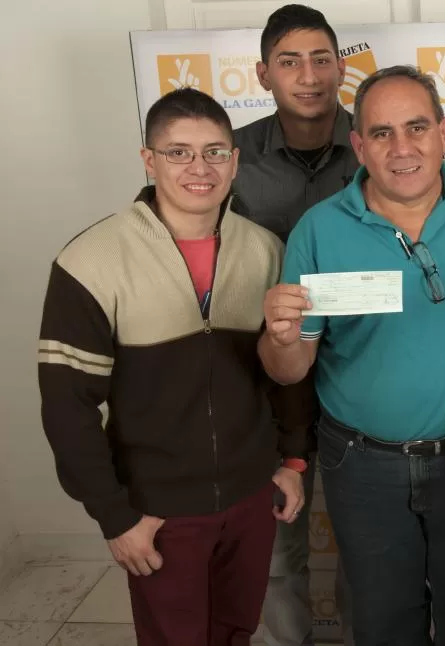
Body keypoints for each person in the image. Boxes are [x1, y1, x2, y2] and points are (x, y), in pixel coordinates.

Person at [257, 64, 445, 646]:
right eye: (382, 133)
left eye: (416, 127)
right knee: (384, 624)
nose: (402, 147)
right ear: (358, 145)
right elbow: (291, 367)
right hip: (362, 466)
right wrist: (282, 338)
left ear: (444, 132)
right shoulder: (319, 230)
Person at [37, 88, 305, 645]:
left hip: (251, 495)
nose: (199, 168)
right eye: (178, 152)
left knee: (238, 631)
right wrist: (115, 515)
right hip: (155, 509)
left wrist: (293, 458)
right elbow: (67, 408)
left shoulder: (266, 250)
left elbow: (286, 374)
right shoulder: (91, 260)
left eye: (214, 151)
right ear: (148, 160)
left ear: (234, 161)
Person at [231, 5, 358, 644]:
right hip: (264, 384)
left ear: (341, 66)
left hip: (357, 379)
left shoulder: (379, 147)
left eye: (320, 59)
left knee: (363, 559)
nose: (307, 76)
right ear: (263, 73)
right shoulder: (230, 160)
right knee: (279, 562)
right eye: (288, 61)